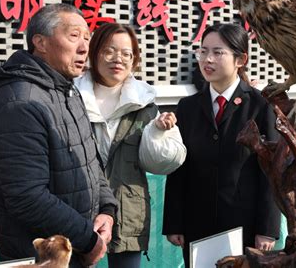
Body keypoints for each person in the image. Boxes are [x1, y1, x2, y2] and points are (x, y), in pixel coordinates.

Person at [0, 4, 118, 267]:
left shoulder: (68, 90)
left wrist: (107, 210)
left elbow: (90, 159)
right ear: (40, 43)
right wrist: (88, 240)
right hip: (43, 257)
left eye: (87, 38)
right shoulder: (19, 102)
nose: (83, 47)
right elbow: (27, 196)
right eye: (73, 36)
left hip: (76, 248)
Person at [162, 23, 281, 266]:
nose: (208, 59)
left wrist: (267, 228)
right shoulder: (187, 108)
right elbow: (179, 168)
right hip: (197, 223)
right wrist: (174, 222)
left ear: (241, 59)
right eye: (203, 51)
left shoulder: (261, 107)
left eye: (218, 52)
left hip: (243, 226)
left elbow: (271, 171)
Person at [74, 22, 186, 268]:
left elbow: (160, 163)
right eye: (109, 50)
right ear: (94, 53)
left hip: (127, 210)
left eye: (127, 53)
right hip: (77, 211)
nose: (118, 59)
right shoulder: (71, 97)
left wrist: (157, 132)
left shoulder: (143, 103)